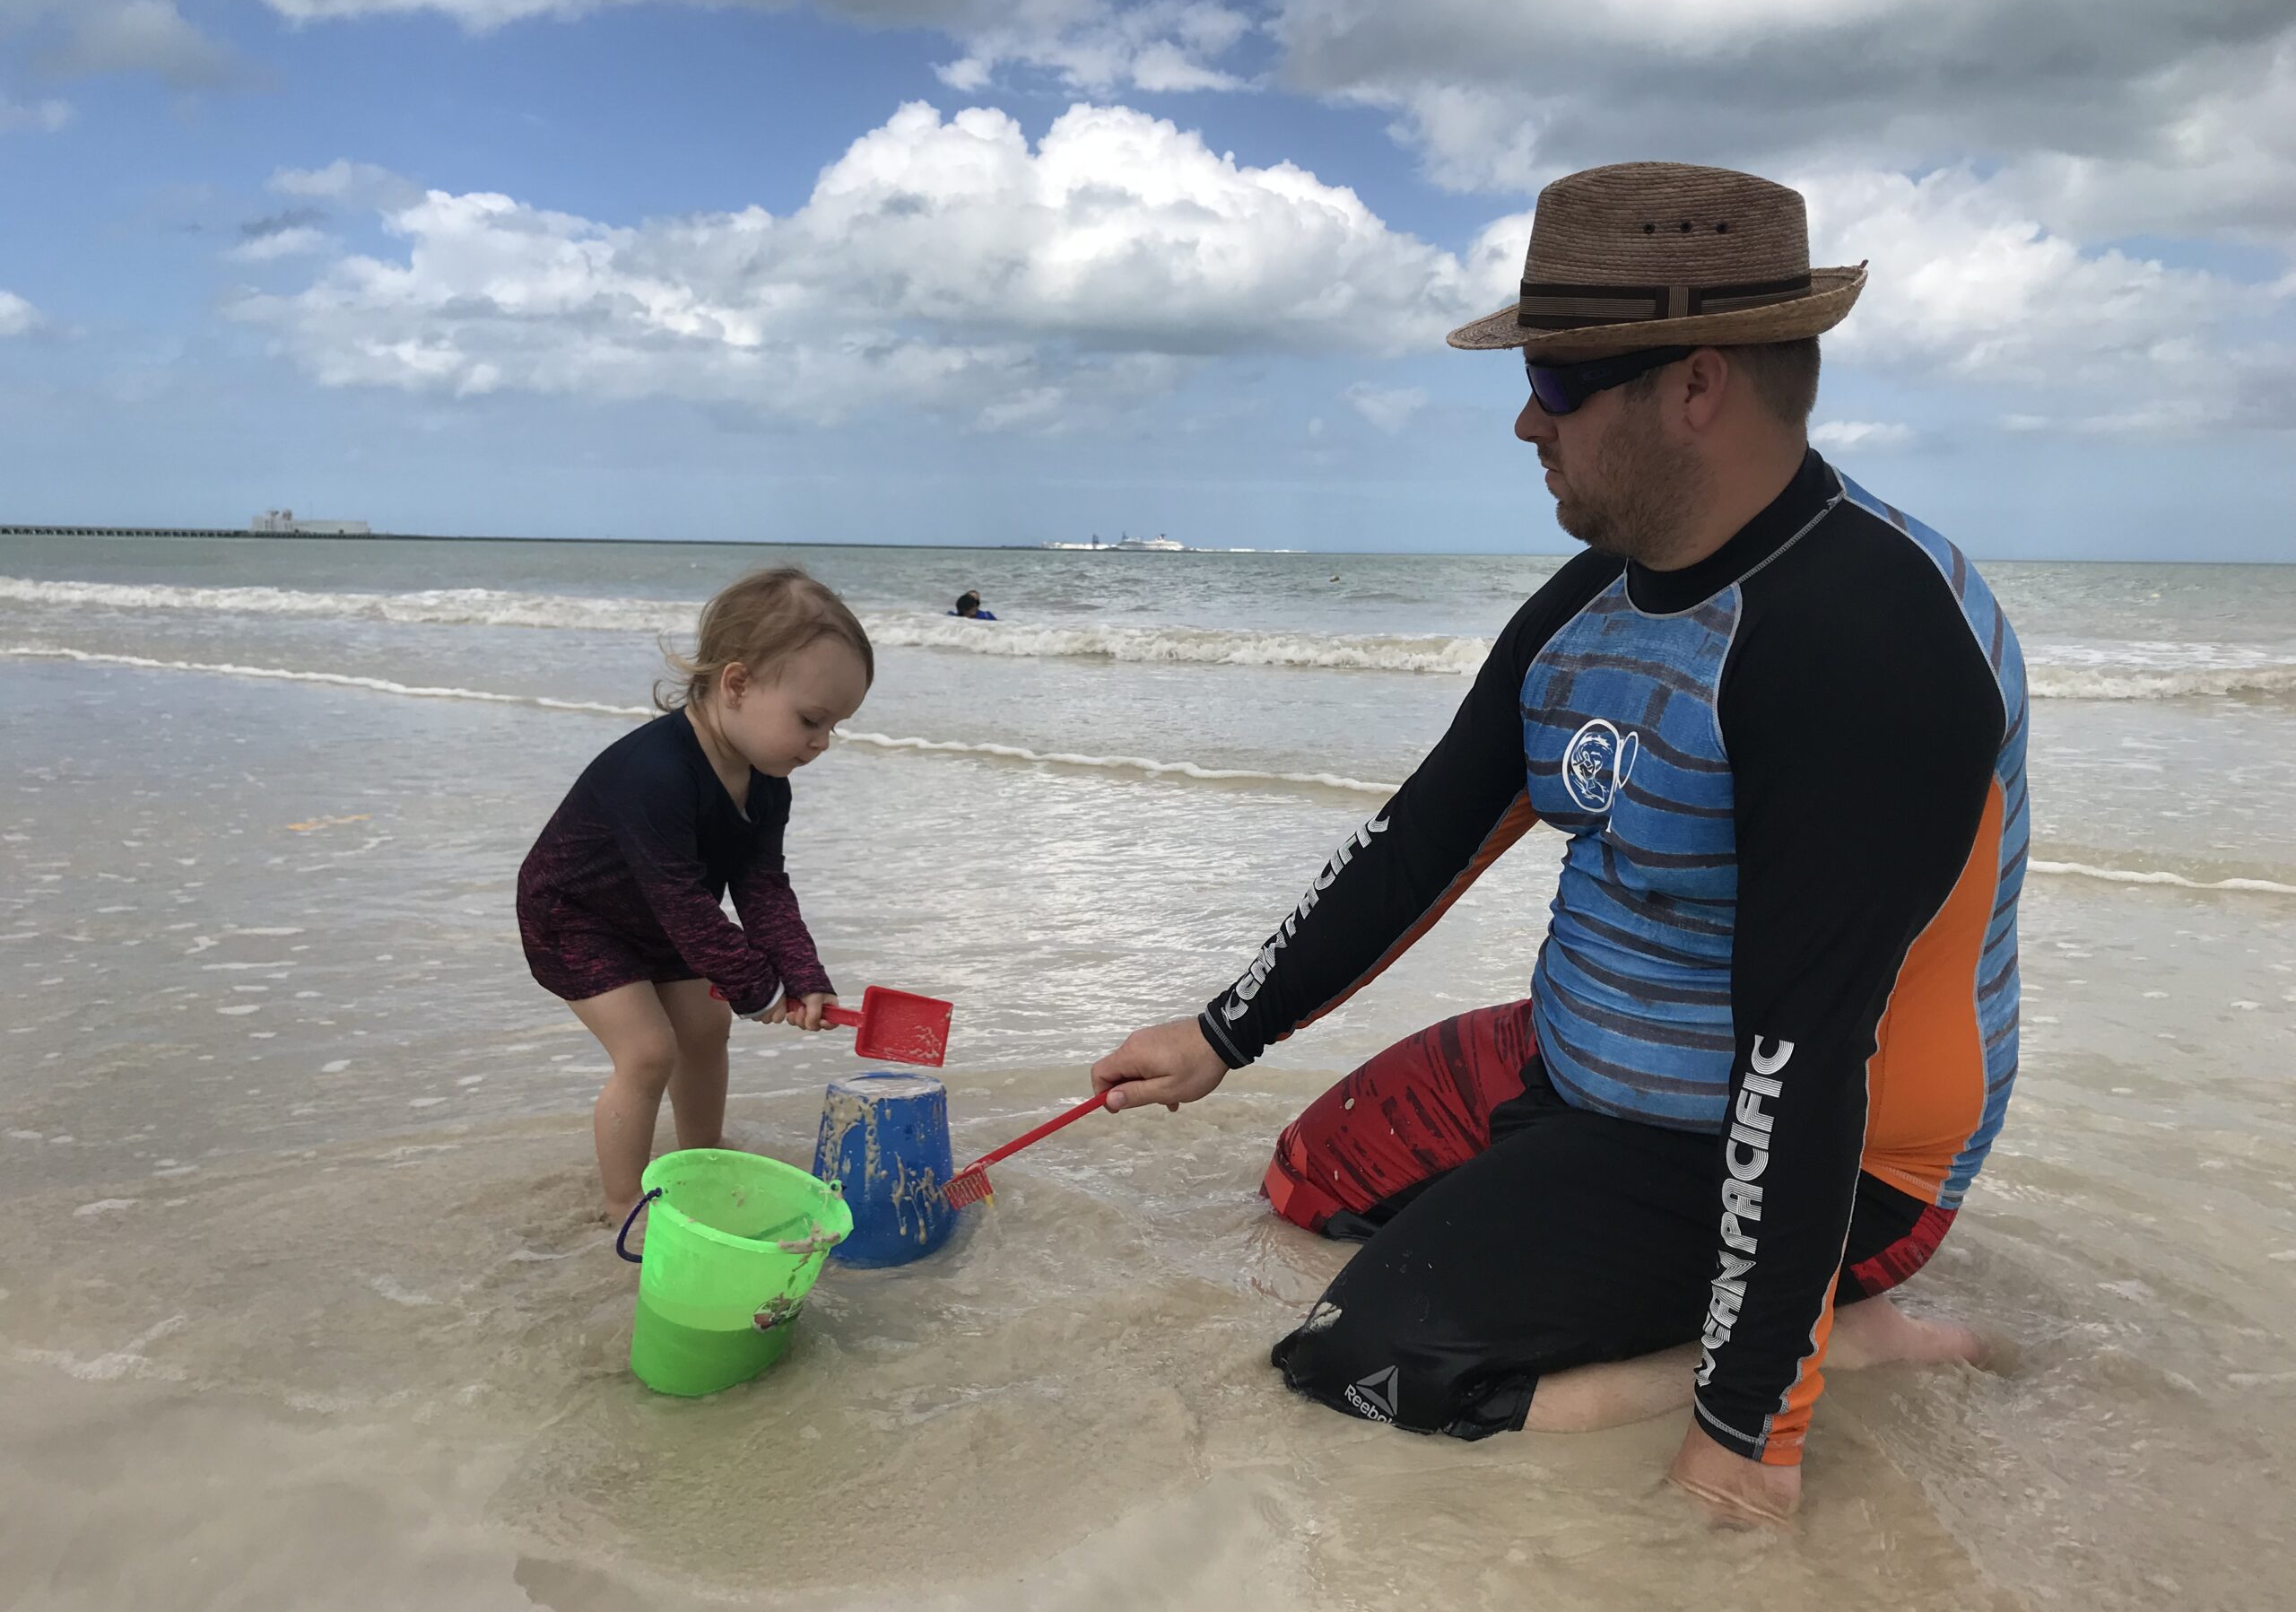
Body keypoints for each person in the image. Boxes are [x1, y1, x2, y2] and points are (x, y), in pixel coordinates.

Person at [1091, 162, 2028, 1524]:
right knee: (1309, 1186)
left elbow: (1802, 1056)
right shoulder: (1601, 595)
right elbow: (1421, 840)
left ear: (1696, 387)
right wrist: (1220, 1033)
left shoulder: (1862, 642)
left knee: (1356, 1366)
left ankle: (1837, 1336)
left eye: (1558, 381)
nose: (1527, 422)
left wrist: (1749, 1426)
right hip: (1586, 1063)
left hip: (1816, 1146)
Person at [517, 567, 874, 1226]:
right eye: (811, 720)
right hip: (576, 917)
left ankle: (701, 1161)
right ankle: (626, 1204)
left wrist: (801, 975)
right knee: (649, 1051)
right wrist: (754, 985)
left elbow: (762, 887)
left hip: (661, 919)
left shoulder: (767, 783)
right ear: (736, 684)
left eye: (835, 727)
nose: (822, 743)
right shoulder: (653, 773)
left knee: (705, 1029)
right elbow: (683, 900)